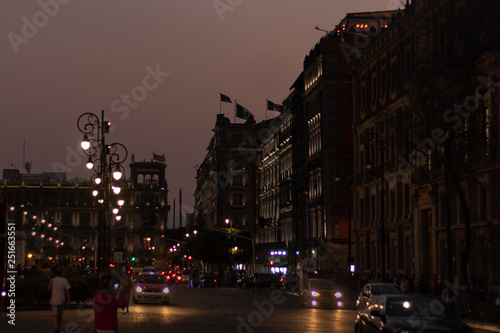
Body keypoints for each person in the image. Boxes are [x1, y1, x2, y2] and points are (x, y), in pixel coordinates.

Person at [48, 266, 71, 333]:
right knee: (60, 315)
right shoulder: (64, 281)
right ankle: (59, 327)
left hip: (53, 300)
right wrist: (69, 300)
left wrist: (50, 295)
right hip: (61, 300)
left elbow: (49, 289)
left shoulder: (52, 280)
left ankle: (56, 327)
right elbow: (67, 291)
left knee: (55, 315)